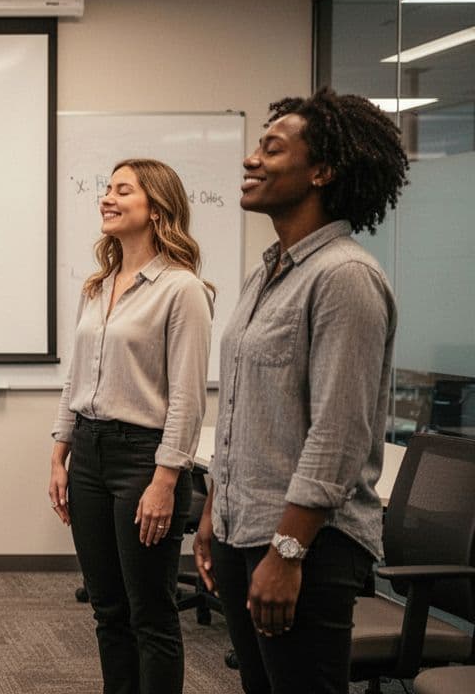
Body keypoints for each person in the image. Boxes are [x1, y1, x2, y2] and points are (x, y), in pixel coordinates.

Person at [193, 88, 409, 694]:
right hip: (245, 529)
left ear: (322, 170)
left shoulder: (345, 277)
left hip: (307, 547)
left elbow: (338, 435)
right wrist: (214, 509)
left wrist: (288, 552)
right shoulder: (268, 272)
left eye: (271, 148)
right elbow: (243, 407)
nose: (250, 160)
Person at [48, 158, 214, 694]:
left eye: (123, 190)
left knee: (152, 615)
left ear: (156, 207)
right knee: (107, 610)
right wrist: (60, 450)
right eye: (106, 189)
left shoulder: (181, 289)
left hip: (144, 460)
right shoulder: (98, 286)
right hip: (89, 456)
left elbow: (188, 398)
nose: (107, 198)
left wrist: (168, 481)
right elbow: (76, 377)